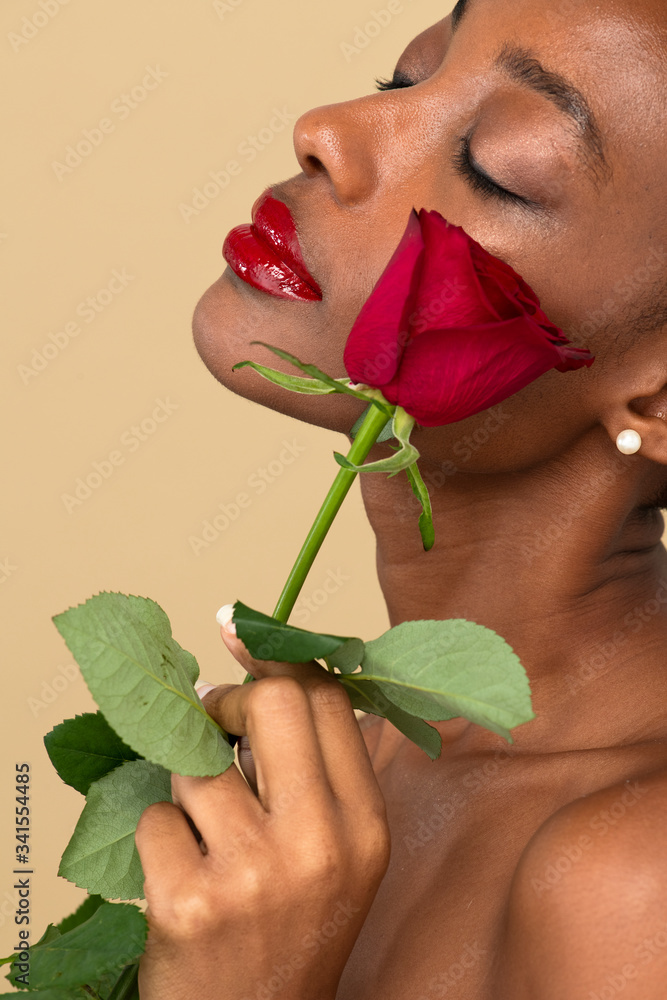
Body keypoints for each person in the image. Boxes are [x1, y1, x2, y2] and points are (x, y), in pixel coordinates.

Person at [135, 1, 667, 996]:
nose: (325, 132)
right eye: (403, 77)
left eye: (494, 164)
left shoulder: (639, 880)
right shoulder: (327, 779)